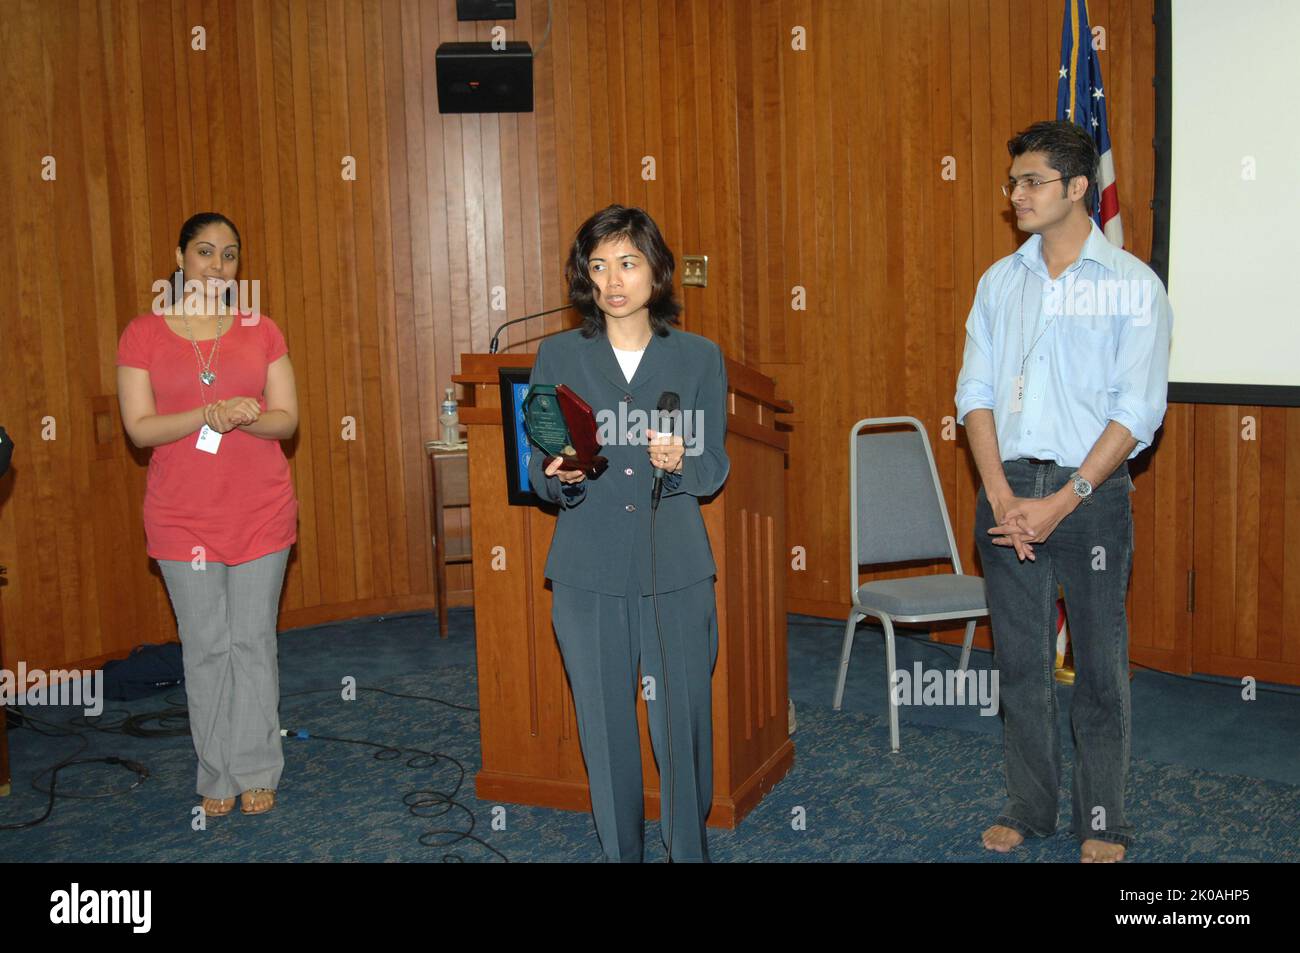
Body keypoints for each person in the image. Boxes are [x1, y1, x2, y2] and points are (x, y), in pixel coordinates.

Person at [954, 121, 1171, 863]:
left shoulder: (1134, 286)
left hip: (1093, 495)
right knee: (1019, 663)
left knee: (1099, 670)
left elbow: (1136, 411)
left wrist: (1065, 496)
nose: (1015, 194)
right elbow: (974, 393)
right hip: (1006, 489)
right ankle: (1030, 805)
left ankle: (1101, 819)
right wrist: (1000, 493)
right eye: (1013, 181)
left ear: (1079, 188)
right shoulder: (998, 282)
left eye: (1032, 181)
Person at [527, 205, 730, 862]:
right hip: (587, 568)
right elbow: (541, 470)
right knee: (607, 730)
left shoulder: (699, 357)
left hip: (674, 566)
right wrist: (564, 474)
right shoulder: (559, 354)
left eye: (628, 262)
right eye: (598, 265)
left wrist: (681, 463)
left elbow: (714, 464)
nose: (613, 280)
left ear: (656, 270)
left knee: (683, 728)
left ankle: (688, 849)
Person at [116, 212, 299, 818]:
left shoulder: (260, 329)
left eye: (229, 255)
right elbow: (140, 430)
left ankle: (256, 769)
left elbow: (286, 419)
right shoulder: (142, 333)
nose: (217, 267)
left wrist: (243, 414)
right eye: (204, 252)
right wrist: (206, 414)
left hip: (261, 509)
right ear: (179, 257)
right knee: (206, 647)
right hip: (181, 517)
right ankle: (216, 773)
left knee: (251, 643)